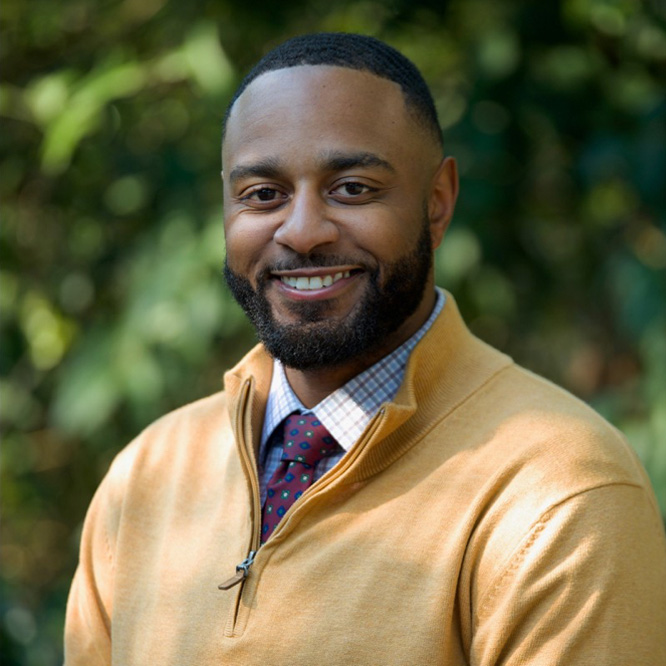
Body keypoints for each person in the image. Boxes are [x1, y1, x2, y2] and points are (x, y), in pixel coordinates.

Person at [65, 33, 666, 665]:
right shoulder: (147, 478)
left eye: (352, 188)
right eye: (263, 194)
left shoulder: (554, 493)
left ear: (437, 203)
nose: (301, 232)